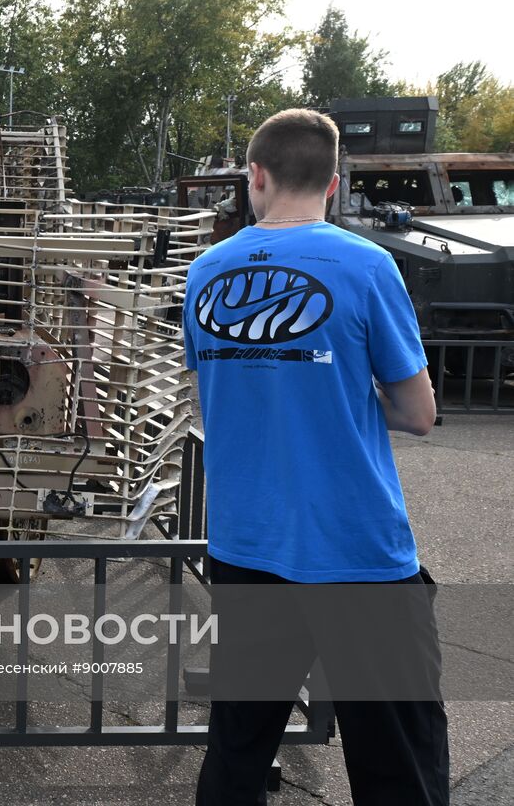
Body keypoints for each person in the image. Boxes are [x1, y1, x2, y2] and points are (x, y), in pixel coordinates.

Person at [183, 109, 448, 805]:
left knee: (238, 751)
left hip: (245, 547)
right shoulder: (366, 265)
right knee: (398, 763)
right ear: (334, 184)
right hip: (354, 551)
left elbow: (213, 400)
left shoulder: (206, 271)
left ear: (256, 176)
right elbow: (419, 414)